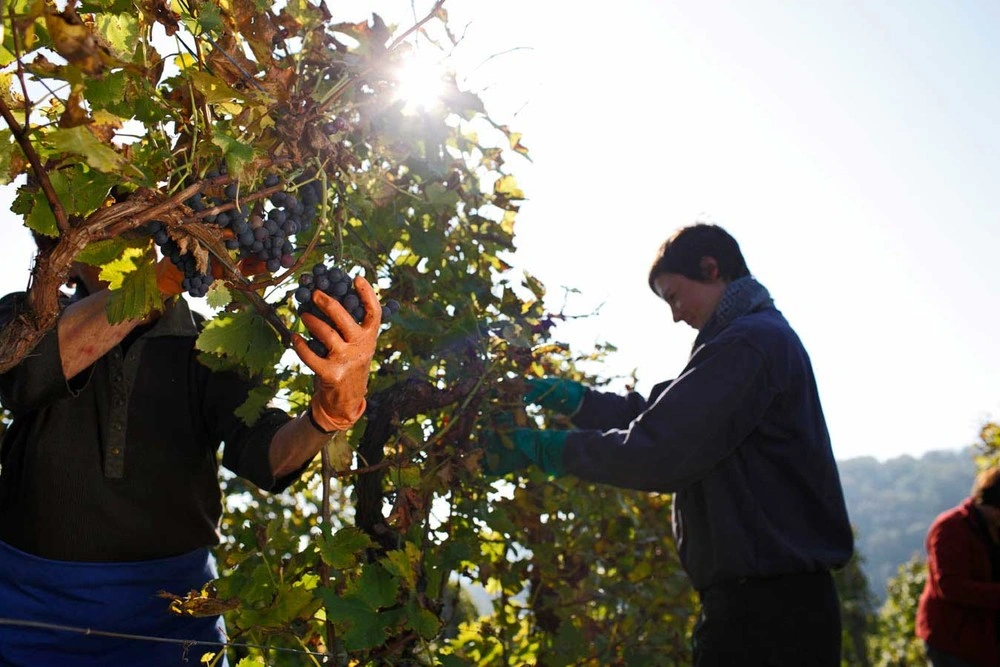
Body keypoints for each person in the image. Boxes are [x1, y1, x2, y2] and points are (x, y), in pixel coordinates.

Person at [485, 223, 854, 666]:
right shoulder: (750, 340)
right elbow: (663, 415)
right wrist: (574, 400)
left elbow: (660, 449)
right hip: (772, 608)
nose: (676, 316)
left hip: (767, 618)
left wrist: (546, 449)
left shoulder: (749, 343)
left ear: (711, 269)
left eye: (674, 296)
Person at [0, 251, 381, 665]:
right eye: (98, 230)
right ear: (69, 259)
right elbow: (25, 375)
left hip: (173, 623)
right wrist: (160, 281)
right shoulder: (26, 318)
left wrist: (327, 416)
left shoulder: (212, 345)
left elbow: (267, 455)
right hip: (26, 618)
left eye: (136, 224)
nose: (121, 241)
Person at [916, 466, 1000, 667]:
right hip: (953, 639)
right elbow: (951, 587)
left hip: (986, 639)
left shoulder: (993, 526)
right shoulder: (950, 527)